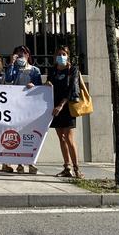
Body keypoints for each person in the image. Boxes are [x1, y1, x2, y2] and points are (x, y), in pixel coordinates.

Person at [4, 45, 42, 174]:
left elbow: (40, 89)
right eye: (18, 54)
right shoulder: (13, 68)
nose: (21, 56)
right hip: (14, 107)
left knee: (29, 135)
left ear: (28, 55)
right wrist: (11, 63)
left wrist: (34, 86)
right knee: (15, 134)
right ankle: (18, 163)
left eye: (23, 53)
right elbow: (8, 79)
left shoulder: (34, 70)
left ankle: (31, 163)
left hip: (28, 108)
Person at [47, 46, 83, 179]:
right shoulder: (53, 70)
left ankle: (77, 168)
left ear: (68, 56)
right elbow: (49, 84)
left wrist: (61, 105)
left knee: (69, 138)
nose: (61, 56)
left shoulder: (72, 70)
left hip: (67, 107)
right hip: (55, 107)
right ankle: (67, 167)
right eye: (59, 54)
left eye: (64, 54)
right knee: (61, 138)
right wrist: (48, 84)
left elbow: (72, 89)